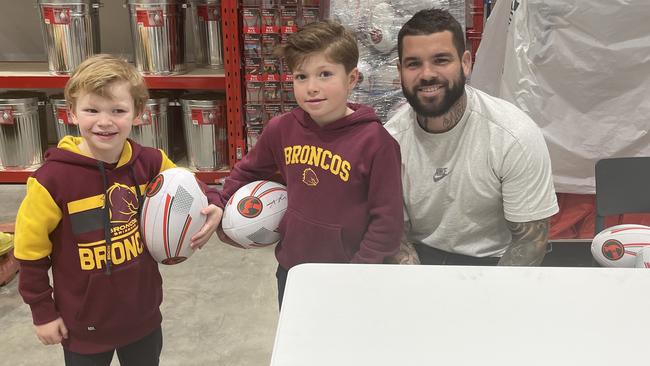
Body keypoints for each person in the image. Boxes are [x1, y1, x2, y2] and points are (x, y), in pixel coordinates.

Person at [13, 54, 221, 366]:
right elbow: (30, 254)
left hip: (143, 315)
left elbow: (188, 186)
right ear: (71, 112)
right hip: (83, 324)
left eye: (118, 110)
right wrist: (42, 312)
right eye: (91, 109)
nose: (105, 121)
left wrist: (214, 203)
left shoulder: (150, 162)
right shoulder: (51, 180)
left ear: (139, 114)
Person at [215, 20, 403, 307]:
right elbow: (247, 171)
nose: (312, 87)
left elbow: (387, 223)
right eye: (301, 77)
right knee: (296, 346)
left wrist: (361, 271)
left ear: (352, 78)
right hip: (292, 269)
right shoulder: (281, 129)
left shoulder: (377, 143)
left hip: (350, 275)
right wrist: (218, 205)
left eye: (325, 74)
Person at [384, 8, 559, 266]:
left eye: (441, 60)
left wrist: (489, 299)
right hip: (421, 260)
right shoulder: (389, 142)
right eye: (413, 64)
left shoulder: (514, 136)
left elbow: (529, 242)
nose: (427, 74)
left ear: (466, 63)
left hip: (494, 262)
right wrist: (419, 289)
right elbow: (394, 235)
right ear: (400, 70)